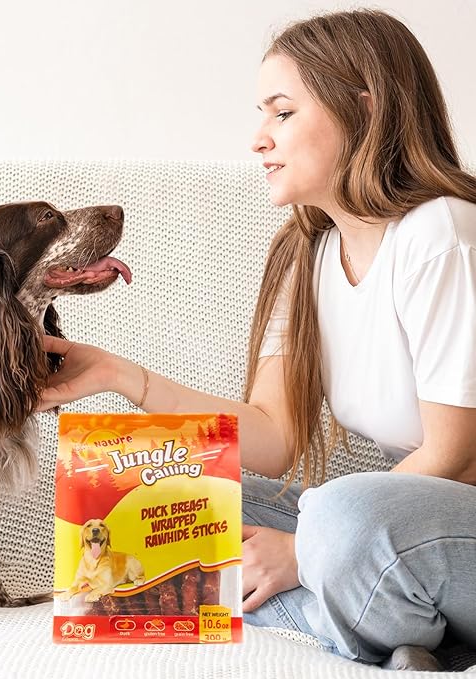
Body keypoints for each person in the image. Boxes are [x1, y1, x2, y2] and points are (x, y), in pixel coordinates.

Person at [39, 9, 476, 672]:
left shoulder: (441, 234)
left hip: (446, 529)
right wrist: (114, 373)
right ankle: (388, 625)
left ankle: (350, 614)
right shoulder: (306, 254)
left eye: (282, 113)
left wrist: (298, 551)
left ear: (364, 110)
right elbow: (274, 438)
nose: (258, 139)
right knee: (148, 497)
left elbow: (452, 452)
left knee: (339, 517)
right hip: (389, 534)